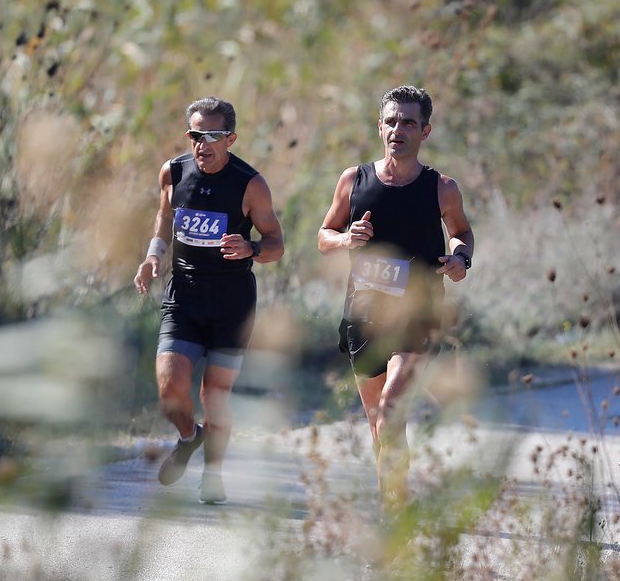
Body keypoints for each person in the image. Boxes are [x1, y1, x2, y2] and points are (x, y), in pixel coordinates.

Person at [317, 85, 474, 511]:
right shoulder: (353, 180)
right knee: (378, 422)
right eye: (391, 121)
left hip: (417, 316)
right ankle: (392, 497)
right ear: (379, 127)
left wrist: (461, 258)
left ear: (425, 131)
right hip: (362, 315)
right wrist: (345, 239)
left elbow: (462, 232)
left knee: (390, 409)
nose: (397, 129)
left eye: (408, 122)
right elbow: (324, 236)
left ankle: (395, 509)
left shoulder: (441, 188)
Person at [134, 97, 284, 505]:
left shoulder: (250, 184)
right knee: (170, 390)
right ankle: (189, 437)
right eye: (196, 135)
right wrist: (153, 255)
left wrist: (252, 248)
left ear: (230, 139)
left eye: (213, 136)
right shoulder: (173, 171)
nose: (203, 144)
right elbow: (165, 216)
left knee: (214, 396)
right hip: (184, 295)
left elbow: (276, 244)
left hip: (232, 304)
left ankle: (213, 475)